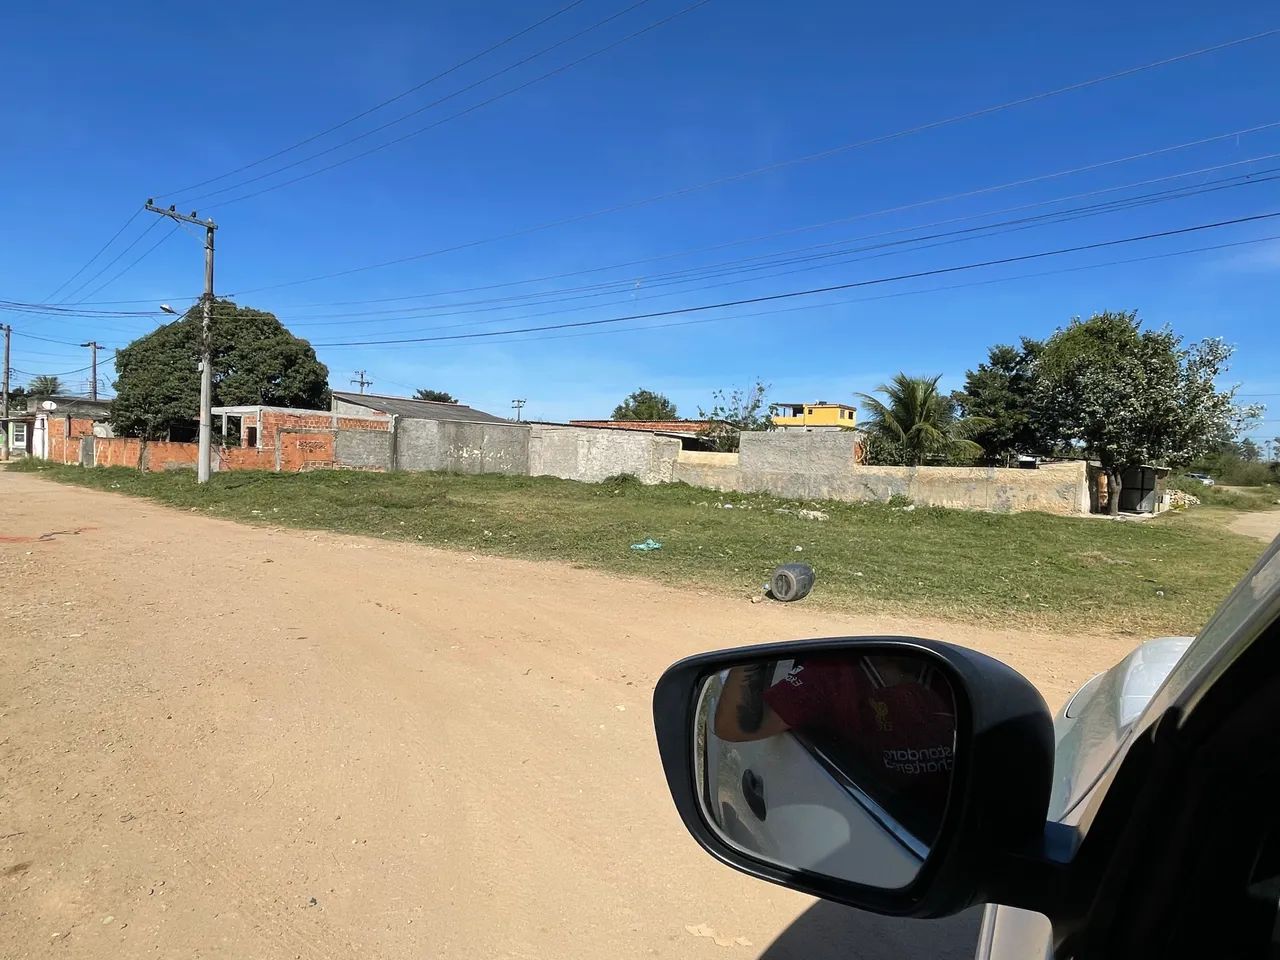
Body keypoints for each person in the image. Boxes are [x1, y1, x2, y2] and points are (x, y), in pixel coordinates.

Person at [712, 654, 956, 838]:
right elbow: (734, 728)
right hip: (887, 829)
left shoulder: (953, 675)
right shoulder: (832, 673)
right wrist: (754, 657)